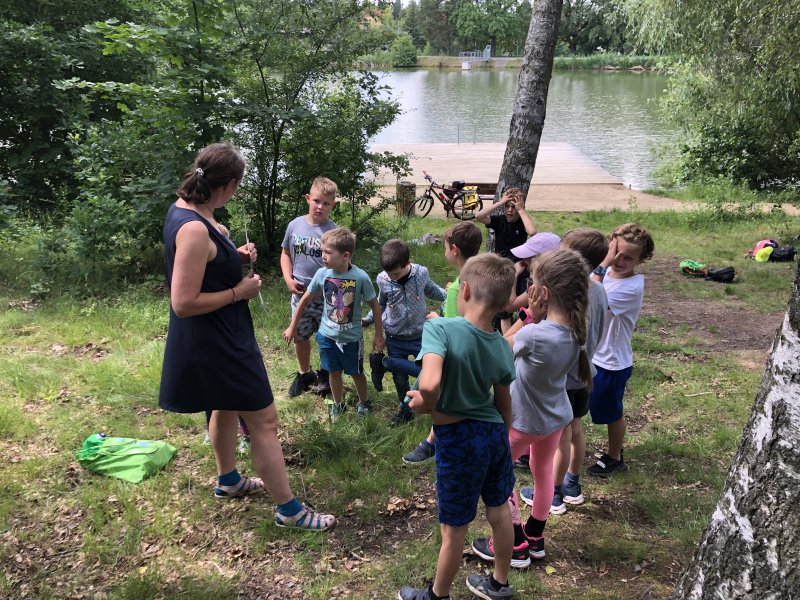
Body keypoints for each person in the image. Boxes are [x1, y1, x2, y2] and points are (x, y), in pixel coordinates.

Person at [159, 142, 334, 530]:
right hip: (219, 340)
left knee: (223, 405)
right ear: (228, 184)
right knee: (264, 420)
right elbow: (183, 302)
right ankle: (289, 510)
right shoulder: (193, 227)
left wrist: (232, 256)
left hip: (216, 335)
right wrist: (239, 292)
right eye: (237, 186)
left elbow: (203, 261)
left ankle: (229, 480)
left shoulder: (186, 208)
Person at [398, 254, 517, 600]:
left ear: (463, 290)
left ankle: (437, 595)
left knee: (454, 529)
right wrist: (501, 442)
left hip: (458, 441)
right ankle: (499, 583)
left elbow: (430, 384)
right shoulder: (501, 344)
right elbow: (504, 405)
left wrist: (423, 403)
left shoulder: (440, 328)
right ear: (504, 304)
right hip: (494, 435)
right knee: (499, 511)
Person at [472, 249, 592, 566]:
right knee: (542, 472)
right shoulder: (577, 327)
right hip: (555, 417)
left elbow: (496, 349)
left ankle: (513, 543)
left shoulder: (536, 335)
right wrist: (535, 320)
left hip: (522, 422)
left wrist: (526, 318)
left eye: (531, 284)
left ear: (543, 293)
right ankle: (535, 535)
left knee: (500, 476)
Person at [519, 228, 608, 512]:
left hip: (562, 381)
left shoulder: (562, 303)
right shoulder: (599, 290)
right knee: (576, 430)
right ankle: (572, 484)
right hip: (585, 373)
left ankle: (554, 493)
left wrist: (533, 317)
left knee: (561, 438)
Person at [402, 221, 483, 465]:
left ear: (454, 249)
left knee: (444, 400)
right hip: (474, 352)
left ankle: (433, 445)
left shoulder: (459, 287)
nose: (445, 250)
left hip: (455, 354)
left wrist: (438, 319)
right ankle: (433, 441)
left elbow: (457, 327)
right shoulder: (476, 277)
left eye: (445, 247)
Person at [283, 227, 385, 420]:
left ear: (346, 255)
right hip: (327, 336)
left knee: (356, 373)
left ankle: (364, 402)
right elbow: (304, 300)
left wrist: (379, 335)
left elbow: (375, 306)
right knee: (334, 372)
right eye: (322, 251)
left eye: (328, 252)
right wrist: (292, 326)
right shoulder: (322, 274)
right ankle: (338, 404)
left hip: (351, 339)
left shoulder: (360, 277)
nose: (323, 256)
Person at [587, 223, 654, 477]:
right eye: (616, 253)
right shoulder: (604, 274)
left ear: (641, 260)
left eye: (628, 257)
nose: (619, 260)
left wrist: (603, 263)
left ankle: (615, 456)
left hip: (611, 361)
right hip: (593, 354)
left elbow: (593, 297)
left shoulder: (631, 287)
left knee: (610, 412)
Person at [362, 239, 446, 425]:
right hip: (395, 336)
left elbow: (432, 290)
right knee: (400, 378)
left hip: (420, 336)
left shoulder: (421, 273)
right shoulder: (383, 279)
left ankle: (428, 402)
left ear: (407, 263)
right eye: (389, 274)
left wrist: (451, 296)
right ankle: (405, 408)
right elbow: (380, 303)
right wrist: (368, 319)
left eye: (396, 274)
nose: (392, 277)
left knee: (427, 373)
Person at [281, 177, 338, 397]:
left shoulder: (333, 232)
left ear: (332, 205)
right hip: (300, 294)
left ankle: (326, 375)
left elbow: (341, 266)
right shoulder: (295, 225)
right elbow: (286, 253)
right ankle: (305, 373)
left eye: (326, 203)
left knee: (327, 337)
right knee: (300, 335)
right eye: (316, 201)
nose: (320, 206)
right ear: (308, 198)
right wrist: (288, 279)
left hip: (325, 297)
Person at [474, 187, 537, 332]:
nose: (509, 210)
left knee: (524, 305)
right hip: (501, 269)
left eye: (513, 207)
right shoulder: (499, 220)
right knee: (503, 311)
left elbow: (532, 232)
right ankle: (507, 339)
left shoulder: (523, 221)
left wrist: (521, 210)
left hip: (521, 267)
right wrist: (500, 202)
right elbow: (479, 216)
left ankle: (522, 333)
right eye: (507, 206)